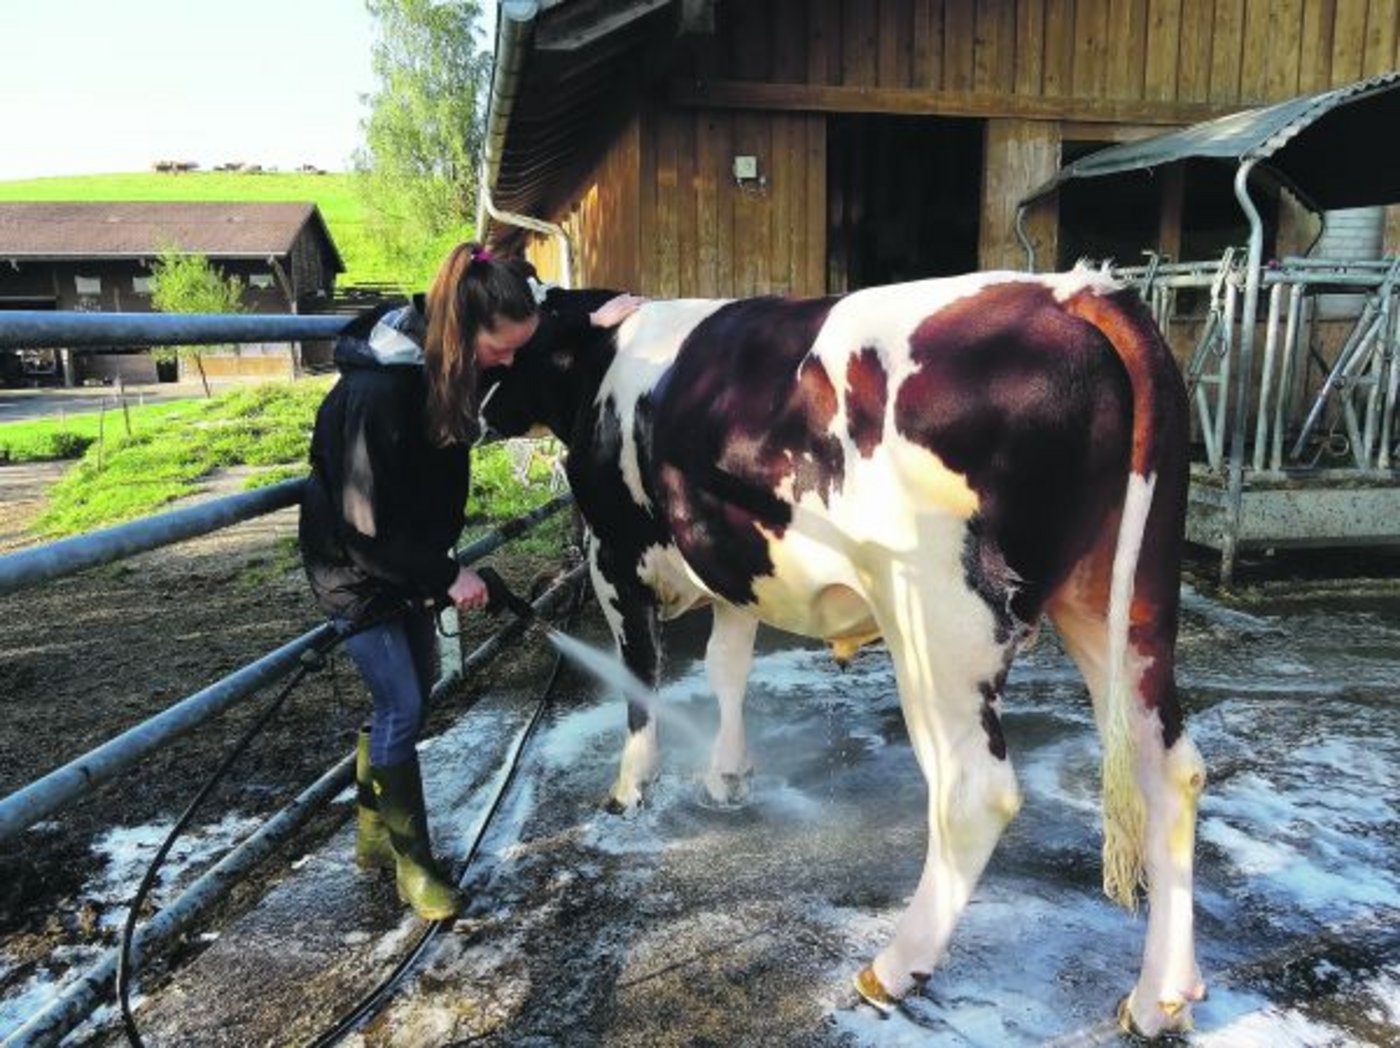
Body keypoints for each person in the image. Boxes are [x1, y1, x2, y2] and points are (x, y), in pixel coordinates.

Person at [299, 242, 643, 920]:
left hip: (410, 560)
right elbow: (365, 530)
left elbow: (533, 327)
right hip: (356, 569)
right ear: (464, 333)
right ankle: (413, 864)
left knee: (413, 692)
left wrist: (593, 316)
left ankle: (373, 835)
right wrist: (446, 575)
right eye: (501, 351)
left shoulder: (453, 353)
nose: (510, 365)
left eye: (517, 350)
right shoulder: (378, 393)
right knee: (402, 702)